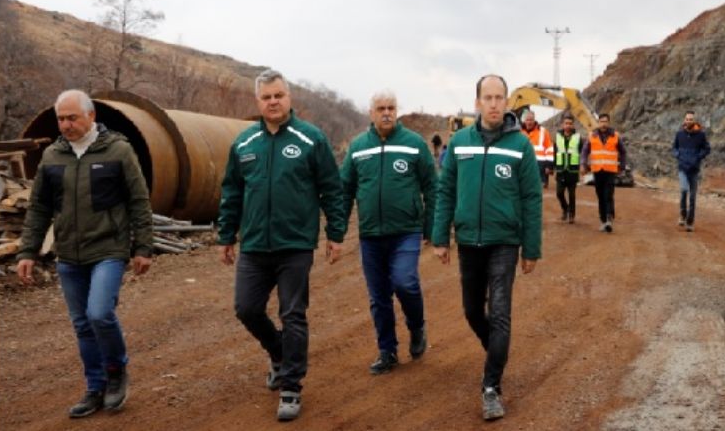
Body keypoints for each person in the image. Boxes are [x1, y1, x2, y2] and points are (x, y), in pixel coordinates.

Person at [216, 69, 346, 422]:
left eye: (278, 95)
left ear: (289, 98)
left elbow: (331, 189)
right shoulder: (244, 144)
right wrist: (226, 235)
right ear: (257, 102)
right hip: (255, 246)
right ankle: (278, 353)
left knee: (293, 314)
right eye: (266, 97)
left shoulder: (311, 139)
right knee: (246, 309)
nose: (273, 102)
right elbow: (231, 191)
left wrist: (336, 234)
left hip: (295, 244)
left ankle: (291, 386)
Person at [17, 89, 153, 418]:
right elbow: (39, 208)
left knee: (99, 314)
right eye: (61, 118)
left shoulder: (118, 150)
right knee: (81, 324)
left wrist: (143, 246)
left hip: (108, 248)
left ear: (91, 116)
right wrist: (28, 251)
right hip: (68, 254)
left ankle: (116, 371)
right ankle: (95, 388)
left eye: (72, 117)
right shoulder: (53, 156)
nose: (65, 124)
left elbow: (138, 199)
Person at [431, 74, 542, 421]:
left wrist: (531, 248)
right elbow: (445, 190)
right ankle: (496, 350)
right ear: (477, 102)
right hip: (468, 241)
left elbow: (531, 198)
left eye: (499, 98)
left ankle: (491, 387)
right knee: (471, 311)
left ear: (507, 102)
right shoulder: (459, 142)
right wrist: (440, 237)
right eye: (488, 97)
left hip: (505, 242)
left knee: (501, 313)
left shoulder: (520, 145)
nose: (494, 104)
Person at [338, 91, 436, 375]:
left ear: (397, 110)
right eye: (381, 108)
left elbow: (432, 185)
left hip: (406, 231)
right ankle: (387, 351)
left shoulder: (414, 144)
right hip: (370, 235)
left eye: (391, 107)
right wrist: (338, 229)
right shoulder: (358, 148)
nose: (386, 113)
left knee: (405, 282)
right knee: (378, 296)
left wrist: (432, 226)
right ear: (371, 112)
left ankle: (417, 328)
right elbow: (345, 190)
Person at [580, 113, 627, 233]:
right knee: (600, 196)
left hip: (610, 171)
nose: (603, 124)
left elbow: (623, 152)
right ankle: (603, 220)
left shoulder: (615, 136)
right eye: (601, 121)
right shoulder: (592, 136)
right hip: (597, 170)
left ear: (609, 122)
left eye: (605, 121)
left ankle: (609, 219)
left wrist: (622, 166)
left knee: (608, 195)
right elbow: (585, 151)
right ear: (598, 122)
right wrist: (583, 164)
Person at [672, 110, 711, 233]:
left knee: (693, 197)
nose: (689, 121)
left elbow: (707, 148)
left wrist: (698, 157)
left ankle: (690, 222)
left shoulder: (701, 135)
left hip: (694, 169)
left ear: (694, 121)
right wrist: (678, 155)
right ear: (684, 120)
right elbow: (674, 147)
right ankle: (683, 215)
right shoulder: (679, 134)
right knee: (684, 190)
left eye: (691, 119)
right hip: (683, 167)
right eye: (687, 119)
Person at [553, 113, 582, 224]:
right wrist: (554, 168)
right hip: (561, 170)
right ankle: (565, 209)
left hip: (572, 170)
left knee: (572, 194)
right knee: (559, 193)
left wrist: (582, 166)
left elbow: (581, 153)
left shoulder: (578, 137)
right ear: (562, 124)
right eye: (566, 123)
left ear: (573, 125)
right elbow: (555, 153)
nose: (568, 125)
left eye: (570, 123)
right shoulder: (558, 137)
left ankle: (572, 215)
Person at [520, 109, 554, 189]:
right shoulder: (519, 132)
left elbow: (549, 148)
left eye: (531, 120)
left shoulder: (543, 131)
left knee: (540, 189)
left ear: (534, 120)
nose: (529, 122)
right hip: (524, 165)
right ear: (524, 121)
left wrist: (549, 166)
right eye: (527, 120)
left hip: (540, 166)